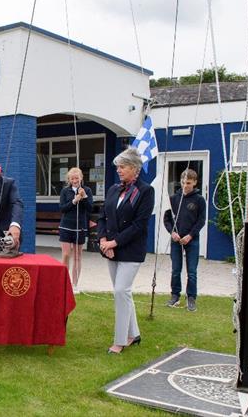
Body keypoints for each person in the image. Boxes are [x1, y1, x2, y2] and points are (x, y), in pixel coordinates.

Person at [97, 147, 154, 355]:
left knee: (121, 291)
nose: (119, 170)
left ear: (134, 168)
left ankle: (120, 340)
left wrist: (114, 243)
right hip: (110, 249)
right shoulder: (113, 189)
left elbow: (139, 225)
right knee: (123, 294)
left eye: (122, 167)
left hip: (130, 250)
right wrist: (103, 240)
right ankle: (134, 334)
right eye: (118, 167)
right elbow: (102, 217)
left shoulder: (146, 191)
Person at [163, 168, 207, 312]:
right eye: (183, 182)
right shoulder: (173, 199)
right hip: (176, 240)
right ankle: (175, 295)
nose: (185, 185)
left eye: (188, 183)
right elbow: (167, 219)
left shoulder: (199, 200)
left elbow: (201, 221)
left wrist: (190, 235)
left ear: (194, 182)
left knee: (192, 271)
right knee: (176, 269)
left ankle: (191, 298)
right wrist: (172, 232)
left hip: (191, 240)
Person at [58, 167, 93, 290]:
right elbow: (62, 208)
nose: (75, 180)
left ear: (81, 178)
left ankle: (75, 284)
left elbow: (90, 209)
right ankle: (64, 282)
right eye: (72, 178)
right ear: (69, 179)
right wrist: (74, 201)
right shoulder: (65, 191)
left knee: (77, 256)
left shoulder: (86, 190)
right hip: (66, 227)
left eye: (77, 178)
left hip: (80, 228)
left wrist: (84, 198)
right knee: (66, 254)